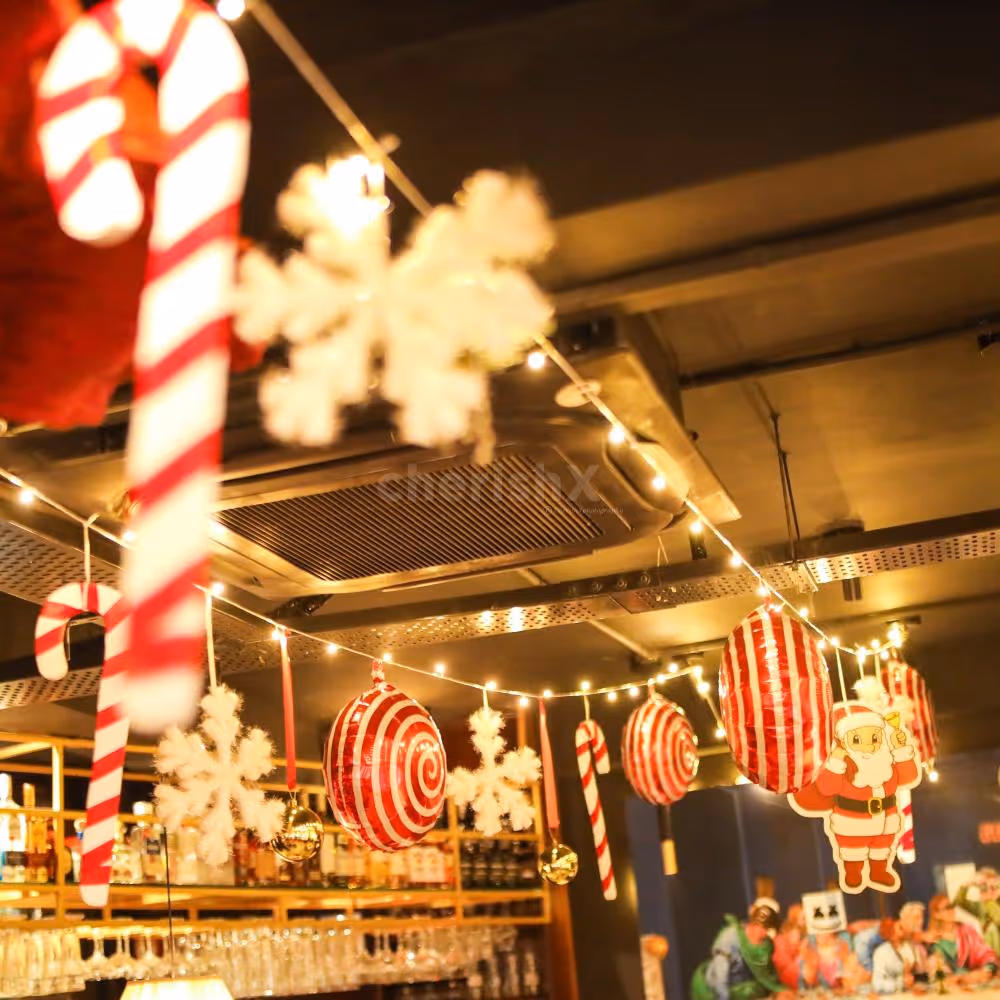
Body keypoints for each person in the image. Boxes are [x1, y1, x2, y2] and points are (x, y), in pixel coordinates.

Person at [791, 702, 920, 892]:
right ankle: (852, 872)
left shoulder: (885, 763)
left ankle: (879, 871)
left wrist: (900, 750)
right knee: (853, 850)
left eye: (875, 738)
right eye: (858, 739)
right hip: (852, 820)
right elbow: (827, 788)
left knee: (882, 847)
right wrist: (836, 760)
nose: (869, 746)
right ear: (844, 742)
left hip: (887, 817)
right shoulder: (842, 767)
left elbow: (908, 776)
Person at [691, 899, 786, 1000]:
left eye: (766, 930)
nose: (763, 934)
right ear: (753, 924)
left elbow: (767, 976)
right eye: (761, 928)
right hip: (717, 991)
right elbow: (720, 974)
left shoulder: (764, 946)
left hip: (744, 987)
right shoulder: (730, 939)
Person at [928, 894, 999, 983]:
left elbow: (985, 953)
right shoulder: (935, 940)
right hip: (955, 985)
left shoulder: (967, 930)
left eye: (952, 906)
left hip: (978, 980)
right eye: (947, 907)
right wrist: (961, 978)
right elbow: (938, 968)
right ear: (936, 914)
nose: (952, 910)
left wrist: (986, 970)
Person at [955, 868, 1000, 956]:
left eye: (993, 887)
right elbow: (958, 905)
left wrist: (990, 900)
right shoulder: (978, 906)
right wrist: (965, 887)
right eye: (983, 887)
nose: (988, 890)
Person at [872, 918, 914, 995]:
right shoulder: (881, 952)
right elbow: (877, 985)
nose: (905, 930)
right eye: (901, 928)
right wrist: (900, 983)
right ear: (891, 931)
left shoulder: (907, 948)